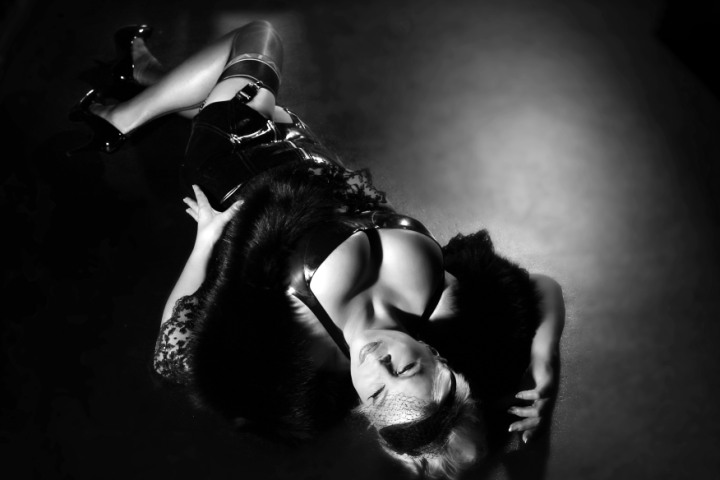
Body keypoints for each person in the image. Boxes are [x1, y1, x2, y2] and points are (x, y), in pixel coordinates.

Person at [68, 21, 565, 479]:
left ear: (367, 412)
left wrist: (205, 242)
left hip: (236, 160)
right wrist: (541, 366)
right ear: (438, 359)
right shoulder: (448, 305)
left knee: (258, 38)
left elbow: (172, 355)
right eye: (405, 368)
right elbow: (542, 289)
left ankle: (120, 117)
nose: (375, 363)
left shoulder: (305, 357)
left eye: (376, 393)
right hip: (309, 153)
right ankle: (151, 78)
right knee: (227, 91)